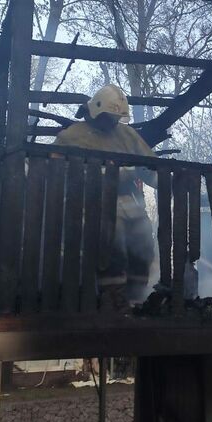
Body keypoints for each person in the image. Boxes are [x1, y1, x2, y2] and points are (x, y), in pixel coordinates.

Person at [55, 84, 157, 312]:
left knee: (144, 245)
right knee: (113, 242)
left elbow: (150, 167)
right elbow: (57, 171)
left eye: (115, 118)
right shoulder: (71, 136)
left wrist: (171, 182)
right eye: (108, 117)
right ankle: (113, 296)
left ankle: (137, 297)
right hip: (90, 202)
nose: (111, 122)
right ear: (95, 110)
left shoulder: (127, 135)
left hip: (127, 199)